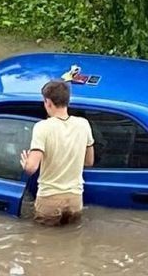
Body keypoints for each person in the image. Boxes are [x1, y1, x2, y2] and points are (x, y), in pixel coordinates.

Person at [20, 80, 94, 226]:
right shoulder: (83, 125)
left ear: (48, 102)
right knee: (73, 241)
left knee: (43, 242)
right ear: (67, 101)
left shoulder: (42, 127)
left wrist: (25, 163)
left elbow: (31, 168)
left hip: (49, 199)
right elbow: (89, 162)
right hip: (75, 199)